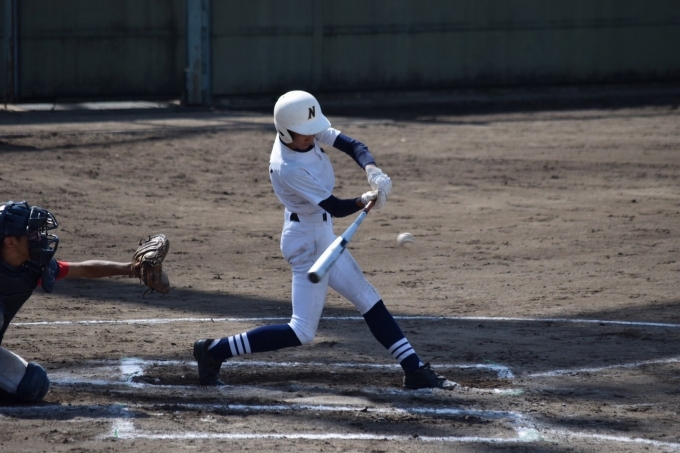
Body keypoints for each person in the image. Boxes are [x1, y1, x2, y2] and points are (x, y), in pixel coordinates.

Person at [194, 90, 455, 390]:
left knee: (367, 298)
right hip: (307, 243)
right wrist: (363, 200)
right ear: (285, 131)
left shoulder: (302, 131)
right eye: (305, 134)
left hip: (322, 235)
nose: (312, 136)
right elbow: (335, 207)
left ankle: (414, 369)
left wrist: (373, 171)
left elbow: (353, 145)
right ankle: (214, 350)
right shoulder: (288, 166)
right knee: (302, 331)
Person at [0, 200, 162, 403]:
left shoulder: (32, 266)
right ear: (10, 242)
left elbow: (83, 269)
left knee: (33, 384)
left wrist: (131, 268)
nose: (39, 237)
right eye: (32, 233)